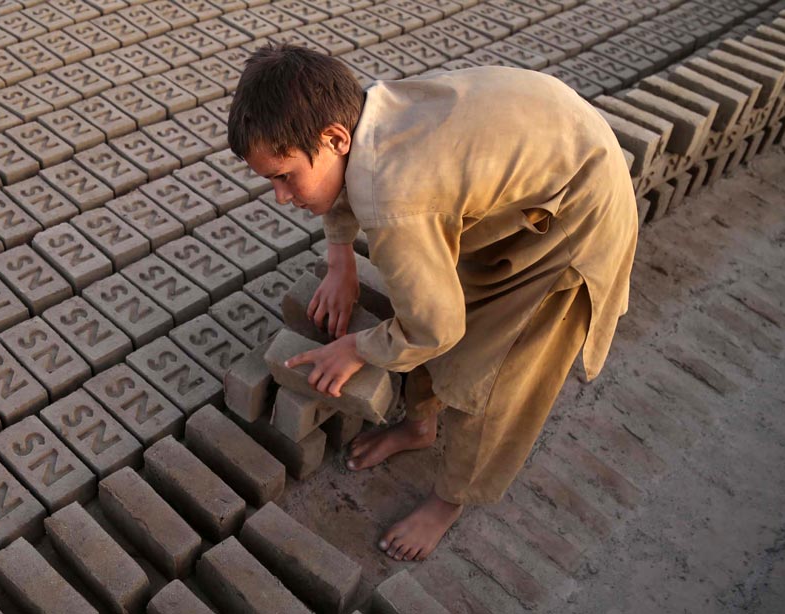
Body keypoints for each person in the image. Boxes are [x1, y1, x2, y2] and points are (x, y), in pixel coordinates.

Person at [228, 44, 638, 562]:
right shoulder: (365, 113)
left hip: (577, 213)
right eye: (269, 180)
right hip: (532, 161)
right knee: (425, 291)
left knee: (486, 381)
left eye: (285, 176)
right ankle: (421, 426)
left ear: (334, 138)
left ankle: (449, 501)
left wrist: (357, 348)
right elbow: (348, 188)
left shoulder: (398, 200)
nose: (281, 196)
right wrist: (340, 261)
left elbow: (434, 330)